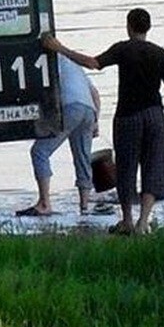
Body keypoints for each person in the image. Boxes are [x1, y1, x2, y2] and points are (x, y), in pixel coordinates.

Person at [42, 8, 164, 234]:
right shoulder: (161, 53)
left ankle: (127, 220)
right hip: (155, 116)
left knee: (126, 168)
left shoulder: (122, 49)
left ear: (128, 26)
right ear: (148, 28)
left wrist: (60, 49)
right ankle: (143, 222)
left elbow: (92, 63)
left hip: (128, 116)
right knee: (153, 166)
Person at [15, 53, 100, 216]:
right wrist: (96, 121)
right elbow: (95, 93)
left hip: (70, 107)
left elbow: (41, 92)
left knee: (39, 152)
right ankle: (84, 206)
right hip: (88, 109)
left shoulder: (46, 61)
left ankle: (45, 203)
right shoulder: (73, 64)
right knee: (82, 158)